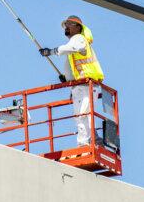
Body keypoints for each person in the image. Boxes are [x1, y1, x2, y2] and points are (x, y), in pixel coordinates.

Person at [39, 15, 105, 146]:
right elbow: (71, 67)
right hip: (79, 86)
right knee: (80, 116)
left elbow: (71, 48)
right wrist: (66, 78)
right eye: (65, 25)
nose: (66, 27)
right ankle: (91, 141)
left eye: (69, 24)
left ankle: (86, 143)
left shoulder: (79, 39)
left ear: (77, 27)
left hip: (88, 85)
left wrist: (51, 51)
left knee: (84, 114)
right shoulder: (73, 47)